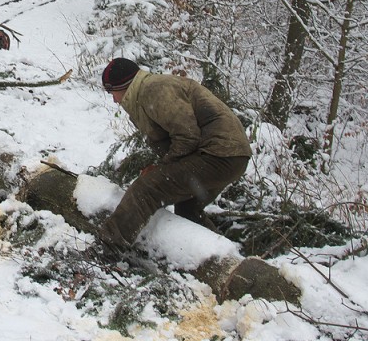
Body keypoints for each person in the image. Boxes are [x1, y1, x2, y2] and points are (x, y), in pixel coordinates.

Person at [96, 58, 252, 249]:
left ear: (124, 86)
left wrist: (161, 169)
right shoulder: (147, 92)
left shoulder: (154, 89)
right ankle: (222, 257)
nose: (114, 99)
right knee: (188, 210)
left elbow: (187, 135)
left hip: (218, 154)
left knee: (148, 187)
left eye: (113, 93)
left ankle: (109, 246)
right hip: (231, 155)